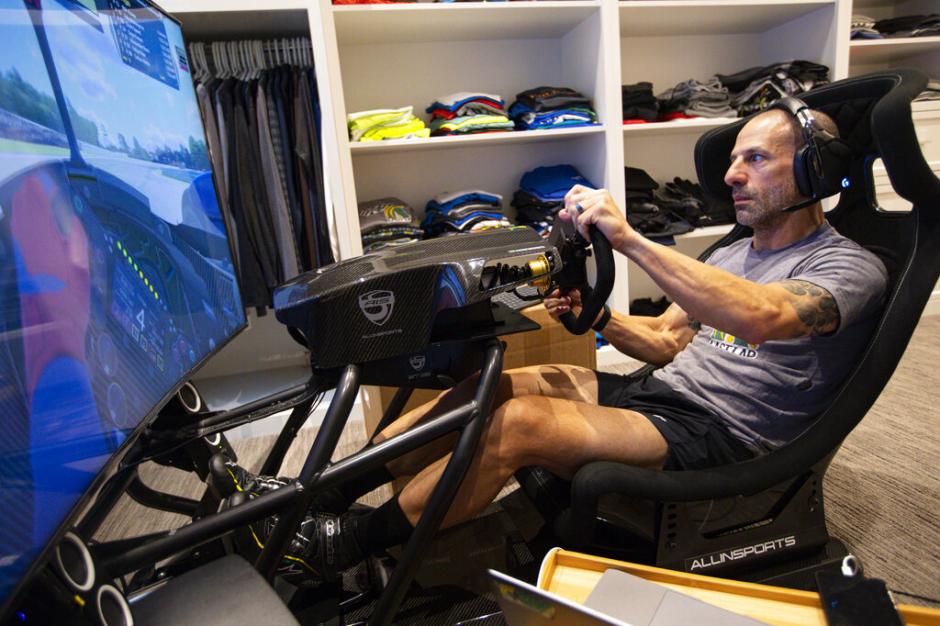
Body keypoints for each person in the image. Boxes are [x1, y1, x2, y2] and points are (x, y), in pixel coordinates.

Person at [214, 105, 888, 586]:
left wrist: (630, 239)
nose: (733, 174)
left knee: (519, 425)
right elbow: (664, 340)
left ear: (812, 171)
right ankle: (322, 494)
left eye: (756, 159)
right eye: (734, 158)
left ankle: (341, 546)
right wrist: (595, 319)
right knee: (498, 386)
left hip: (727, 433)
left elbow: (763, 317)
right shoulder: (733, 253)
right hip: (666, 394)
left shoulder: (848, 268)